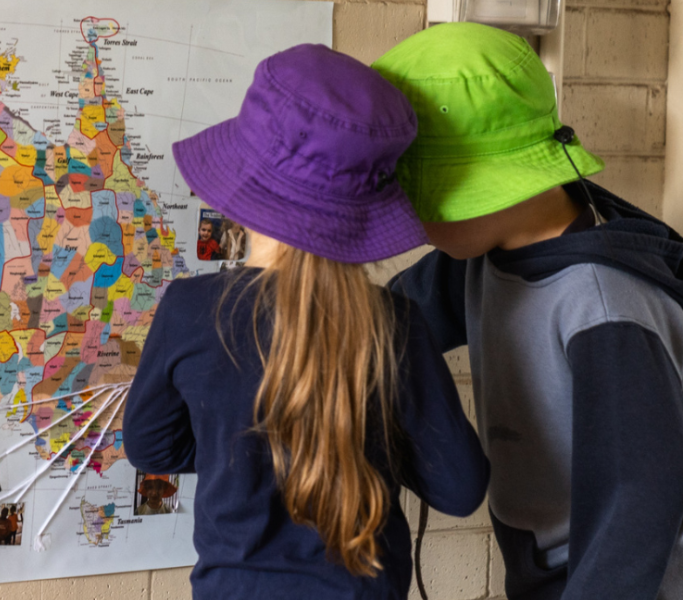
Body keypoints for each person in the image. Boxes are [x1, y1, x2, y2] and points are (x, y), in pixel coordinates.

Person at [123, 44, 489, 600]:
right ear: (362, 212)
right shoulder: (395, 325)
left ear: (241, 191)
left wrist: (246, 445)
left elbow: (151, 449)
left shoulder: (188, 310)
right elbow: (461, 490)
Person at [372, 23, 683, 600]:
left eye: (424, 200)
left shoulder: (606, 307)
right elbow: (385, 321)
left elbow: (637, 510)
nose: (413, 223)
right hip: (544, 561)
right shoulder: (484, 251)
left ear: (498, 188)